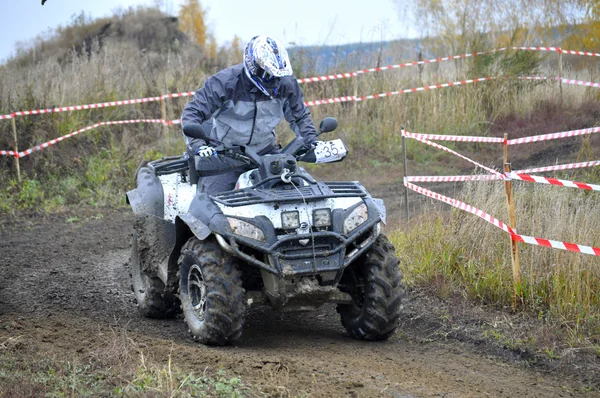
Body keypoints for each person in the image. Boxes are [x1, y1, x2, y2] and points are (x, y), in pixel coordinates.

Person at [181, 35, 318, 194]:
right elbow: (192, 112)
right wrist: (198, 145)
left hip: (267, 152)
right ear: (253, 67)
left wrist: (312, 140)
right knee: (212, 200)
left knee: (301, 190)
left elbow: (299, 116)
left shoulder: (286, 85)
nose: (274, 81)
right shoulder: (225, 83)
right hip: (227, 154)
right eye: (269, 75)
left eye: (278, 76)